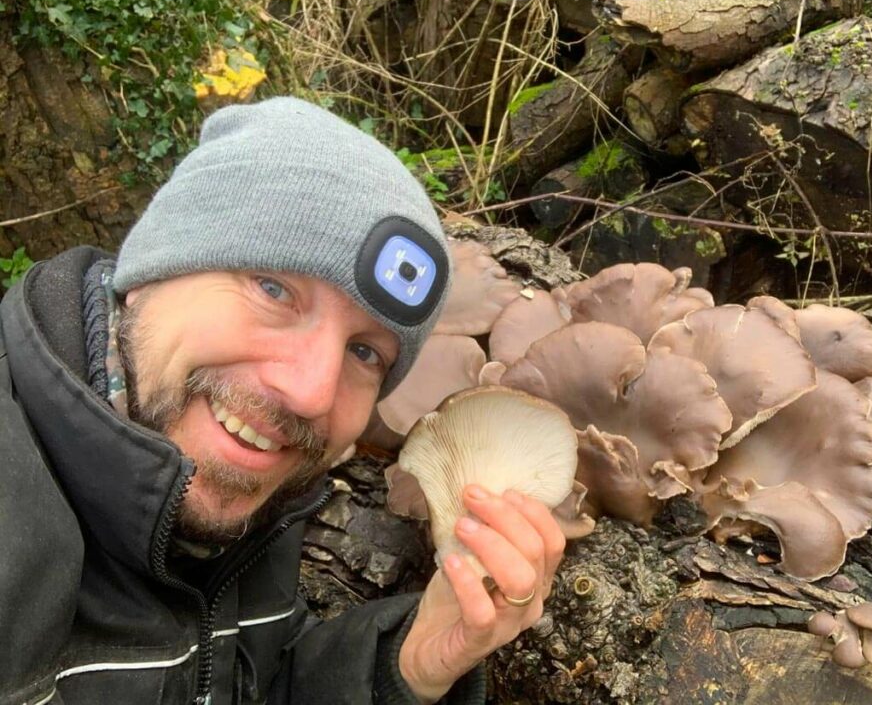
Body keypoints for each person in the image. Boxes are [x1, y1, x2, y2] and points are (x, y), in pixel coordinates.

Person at [0, 97, 565, 704]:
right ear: (150, 272)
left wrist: (407, 669)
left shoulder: (259, 513)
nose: (311, 392)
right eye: (274, 290)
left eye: (366, 352)